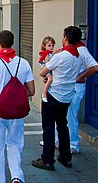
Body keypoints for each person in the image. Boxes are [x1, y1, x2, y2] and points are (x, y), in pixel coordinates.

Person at [0, 30, 35, 183]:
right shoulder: (24, 63)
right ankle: (17, 176)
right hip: (17, 110)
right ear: (13, 42)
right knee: (16, 143)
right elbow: (31, 90)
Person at [32, 26, 82, 171]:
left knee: (48, 127)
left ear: (65, 38)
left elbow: (43, 71)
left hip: (53, 95)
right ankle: (65, 157)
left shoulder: (61, 56)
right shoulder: (78, 57)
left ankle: (47, 159)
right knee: (62, 125)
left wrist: (48, 75)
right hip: (67, 96)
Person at [38, 36, 56, 102]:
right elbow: (47, 63)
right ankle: (44, 93)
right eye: (49, 45)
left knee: (48, 80)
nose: (51, 47)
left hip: (48, 68)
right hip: (46, 68)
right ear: (44, 46)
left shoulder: (50, 53)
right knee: (50, 79)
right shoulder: (46, 54)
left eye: (52, 45)